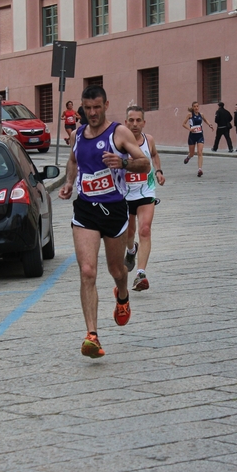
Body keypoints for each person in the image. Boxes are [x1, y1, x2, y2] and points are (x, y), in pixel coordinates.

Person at [59, 85, 151, 359]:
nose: (92, 113)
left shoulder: (118, 133)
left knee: (116, 269)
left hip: (114, 210)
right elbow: (73, 162)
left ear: (106, 104)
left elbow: (144, 163)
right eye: (87, 109)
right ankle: (92, 336)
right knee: (87, 271)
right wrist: (67, 183)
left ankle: (122, 295)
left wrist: (122, 163)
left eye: (97, 107)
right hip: (85, 210)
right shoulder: (77, 135)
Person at [122, 106, 165, 292]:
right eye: (131, 120)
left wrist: (159, 171)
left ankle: (141, 274)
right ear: (126, 122)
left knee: (145, 229)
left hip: (146, 191)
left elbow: (154, 154)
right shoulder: (119, 143)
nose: (135, 124)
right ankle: (131, 250)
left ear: (144, 123)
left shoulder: (149, 140)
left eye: (138, 120)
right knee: (128, 232)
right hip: (124, 194)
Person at [182, 102, 214, 178]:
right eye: (194, 106)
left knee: (199, 152)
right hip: (192, 136)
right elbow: (183, 124)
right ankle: (188, 157)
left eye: (197, 106)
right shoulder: (189, 115)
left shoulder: (201, 115)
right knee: (192, 153)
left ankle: (200, 169)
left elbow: (206, 120)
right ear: (192, 107)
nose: (196, 108)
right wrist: (190, 129)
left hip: (200, 135)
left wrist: (210, 125)